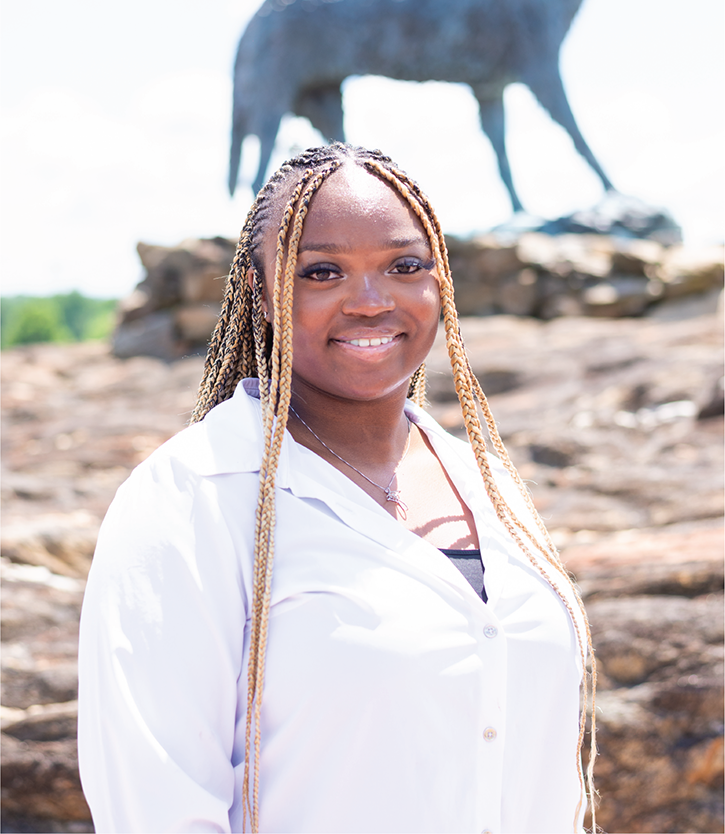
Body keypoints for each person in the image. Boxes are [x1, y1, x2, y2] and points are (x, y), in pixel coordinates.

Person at [78, 143, 597, 834]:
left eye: (403, 265)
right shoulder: (194, 496)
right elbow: (158, 806)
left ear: (438, 279)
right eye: (321, 272)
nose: (370, 301)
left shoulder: (488, 483)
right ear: (263, 296)